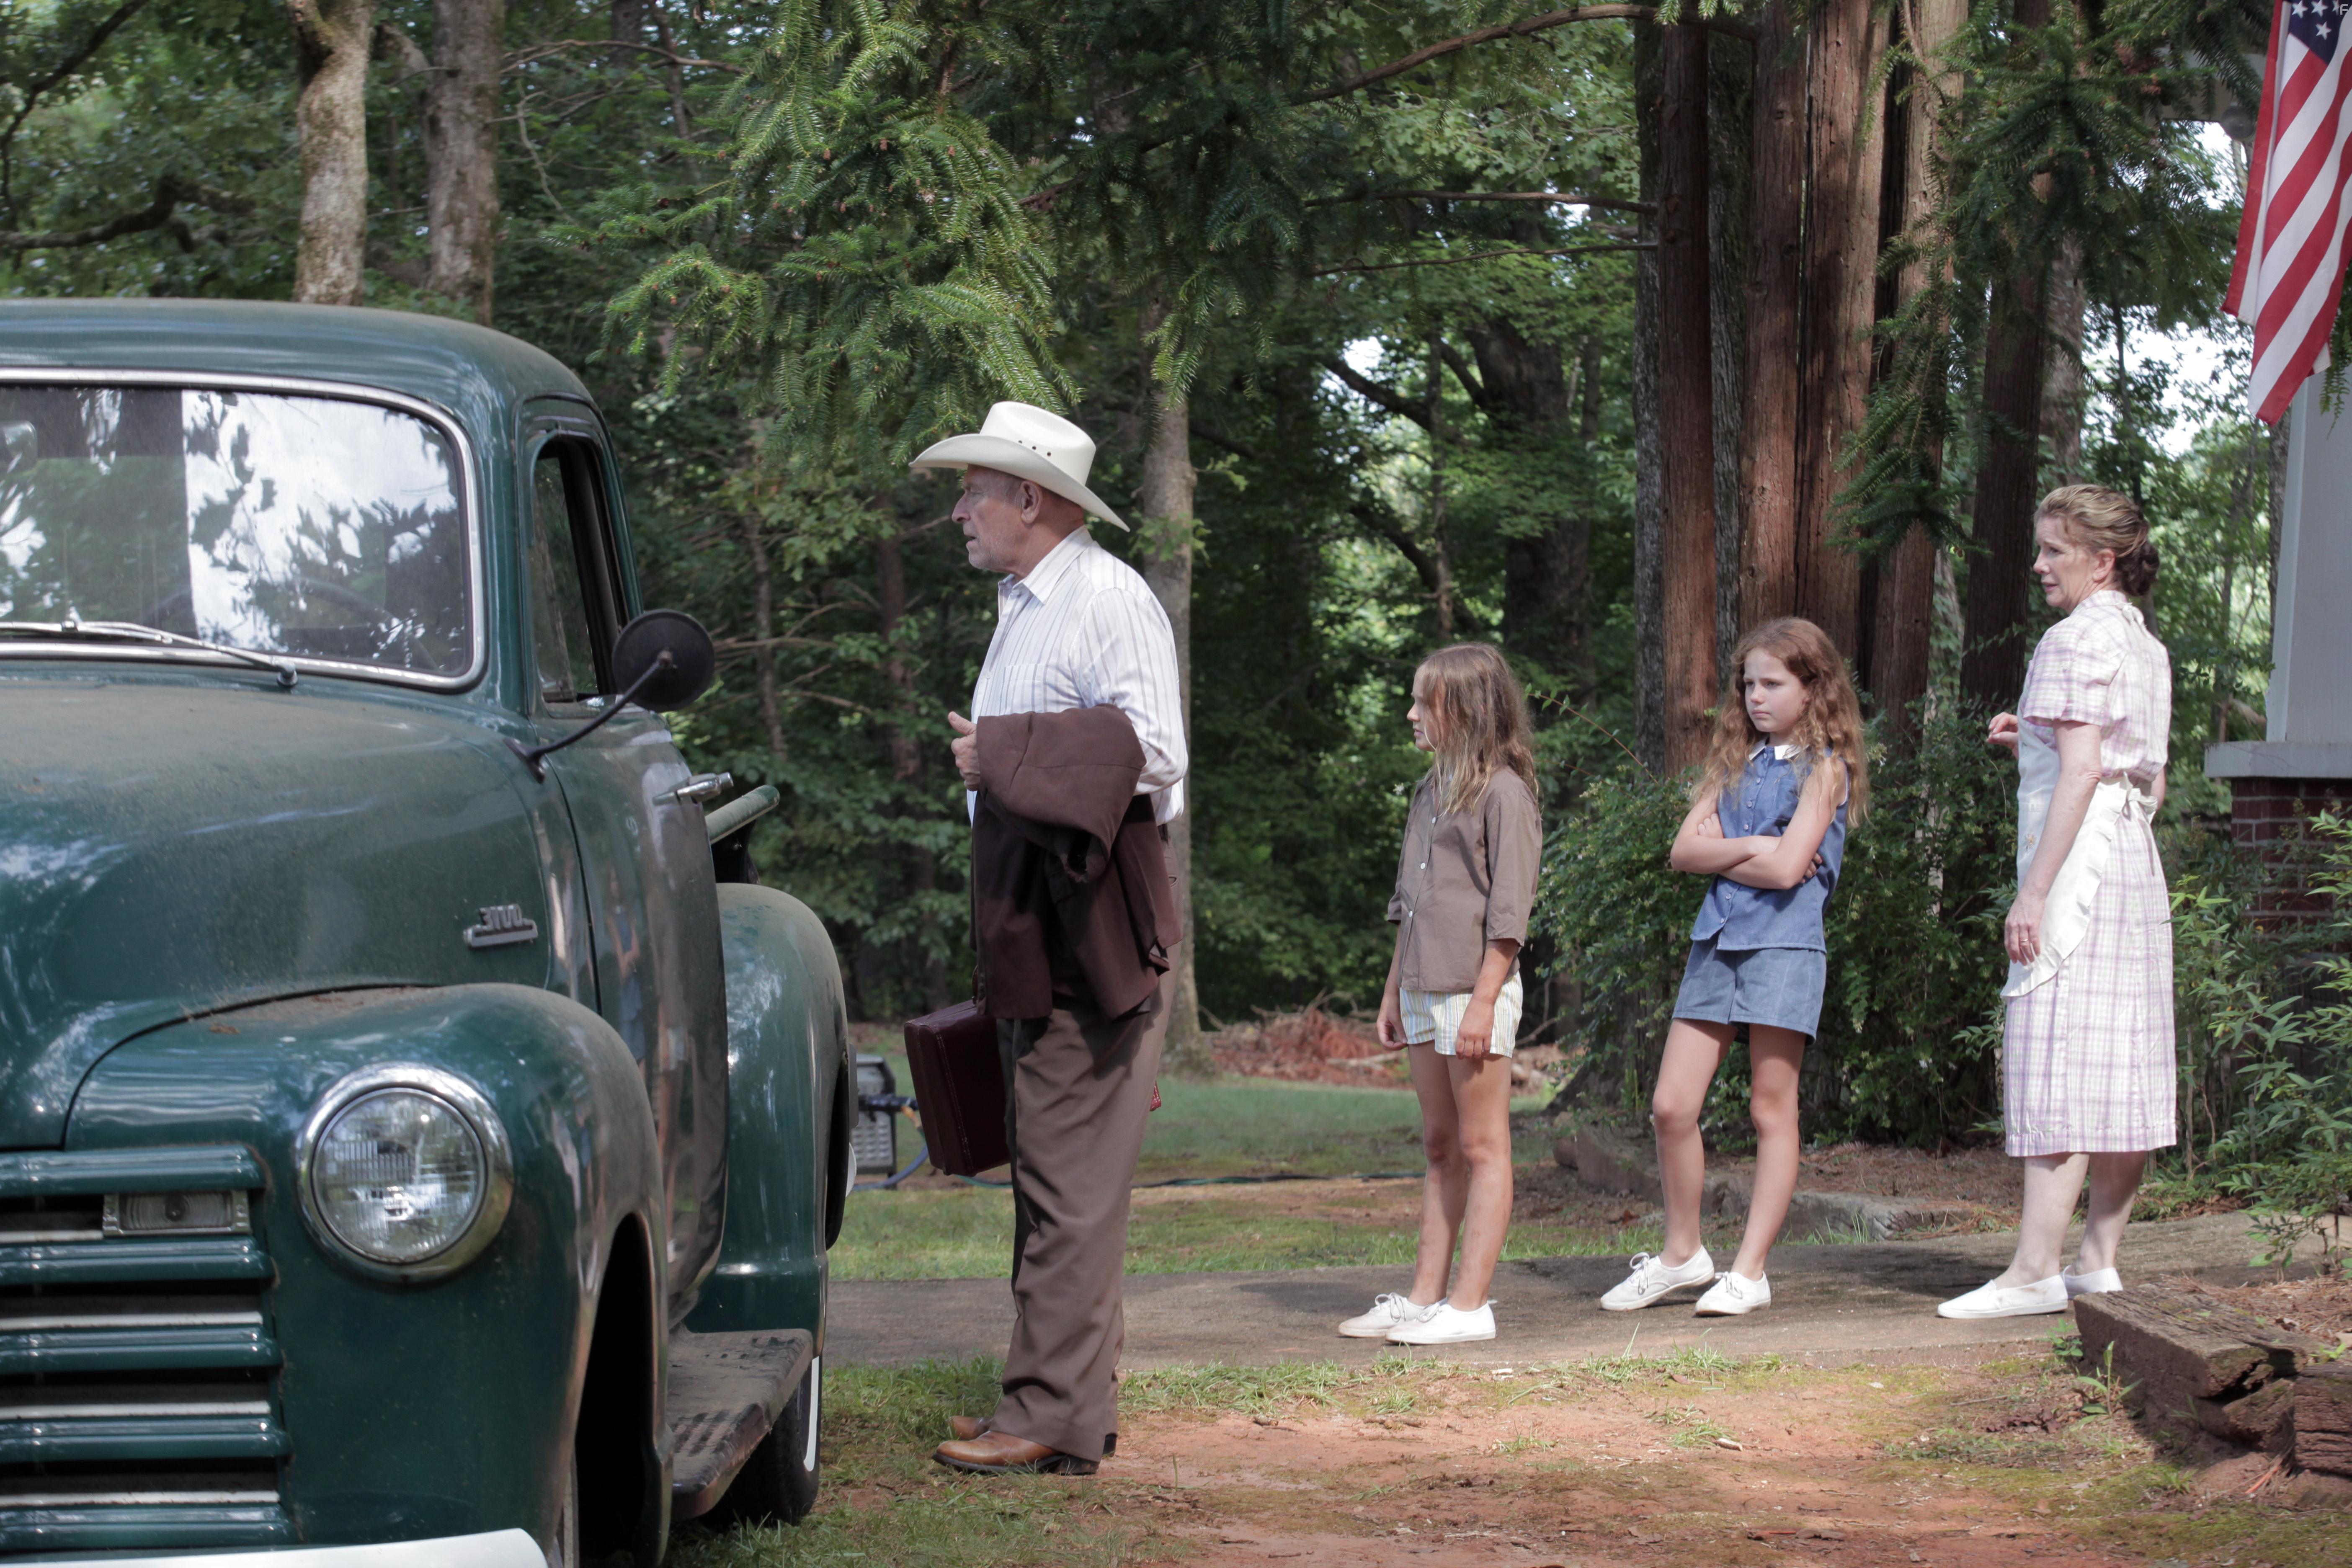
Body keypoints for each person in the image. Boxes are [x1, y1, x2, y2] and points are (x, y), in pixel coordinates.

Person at [915, 402, 1188, 1473]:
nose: (958, 511)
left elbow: (1155, 752)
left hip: (1091, 924)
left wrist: (1001, 757)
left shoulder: (1105, 598)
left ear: (1032, 499)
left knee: (1069, 1182)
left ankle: (1051, 1415)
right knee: (1045, 1167)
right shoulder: (1026, 603)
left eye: (974, 490)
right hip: (1038, 913)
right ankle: (1056, 1398)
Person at [1939, 485, 2173, 1320]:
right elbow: (2145, 777)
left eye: (2052, 551)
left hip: (2079, 869)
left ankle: (2036, 1271)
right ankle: (2096, 1263)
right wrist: (2030, 739)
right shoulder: (2144, 645)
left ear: (2102, 560)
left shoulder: (2073, 639)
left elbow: (2081, 774)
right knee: (2122, 1052)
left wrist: (2032, 893)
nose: (2037, 565)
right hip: (2131, 862)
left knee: (2057, 1046)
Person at [1601, 617, 1867, 1317]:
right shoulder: (1731, 766)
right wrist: (1760, 843)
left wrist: (1746, 852)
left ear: (1814, 688)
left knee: (1769, 1108)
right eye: (1748, 683)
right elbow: (1685, 852)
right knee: (1671, 1106)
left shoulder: (1828, 768)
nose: (1755, 697)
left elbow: (1789, 873)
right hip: (1717, 941)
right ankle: (1684, 1255)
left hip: (1784, 947)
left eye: (1773, 683)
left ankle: (1750, 1273)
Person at [1339, 644, 1542, 1346]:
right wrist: (1395, 991)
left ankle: (1471, 1306)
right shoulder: (1431, 789)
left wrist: (1485, 1003)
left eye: (1426, 702)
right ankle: (1425, 1297)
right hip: (1425, 987)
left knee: (1485, 1146)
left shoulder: (1506, 795)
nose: (1412, 713)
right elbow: (1413, 902)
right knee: (1439, 1144)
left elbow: (1510, 916)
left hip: (1473, 990)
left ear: (1470, 711)